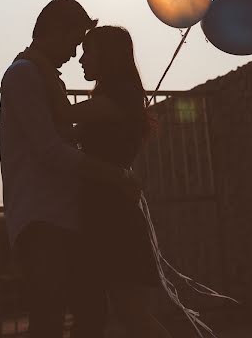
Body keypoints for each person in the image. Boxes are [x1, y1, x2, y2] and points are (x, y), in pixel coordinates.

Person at [0, 0, 141, 338]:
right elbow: (50, 150)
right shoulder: (24, 74)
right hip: (41, 215)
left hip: (67, 215)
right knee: (50, 318)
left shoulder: (45, 77)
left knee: (90, 314)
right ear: (54, 32)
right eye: (74, 41)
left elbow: (63, 135)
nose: (75, 53)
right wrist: (114, 175)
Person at [53, 25, 173, 338]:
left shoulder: (121, 96)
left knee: (131, 313)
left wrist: (40, 73)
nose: (81, 60)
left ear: (109, 56)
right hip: (103, 209)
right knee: (116, 312)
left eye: (88, 52)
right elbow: (68, 132)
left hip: (112, 213)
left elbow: (63, 117)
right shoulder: (113, 98)